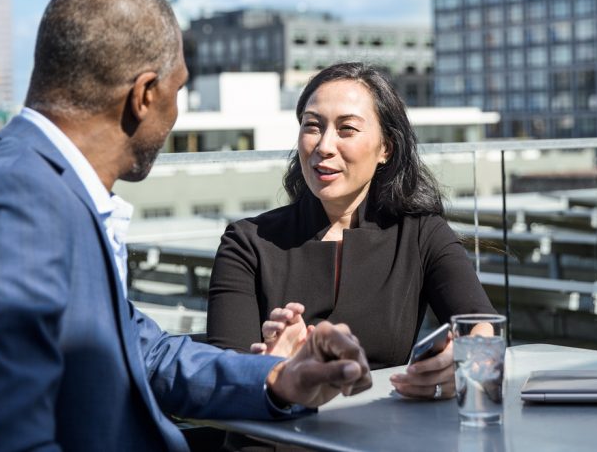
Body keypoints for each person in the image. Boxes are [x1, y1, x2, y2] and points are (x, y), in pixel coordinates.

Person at [0, 0, 371, 452]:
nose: (176, 114)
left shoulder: (49, 189)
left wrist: (279, 378)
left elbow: (145, 353)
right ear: (144, 95)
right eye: (177, 90)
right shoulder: (15, 202)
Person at [207, 62, 495, 401]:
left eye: (347, 129)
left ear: (386, 148)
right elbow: (221, 382)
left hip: (381, 434)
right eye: (312, 126)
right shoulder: (247, 242)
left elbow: (482, 326)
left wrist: (461, 366)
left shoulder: (420, 234)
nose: (324, 145)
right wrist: (274, 368)